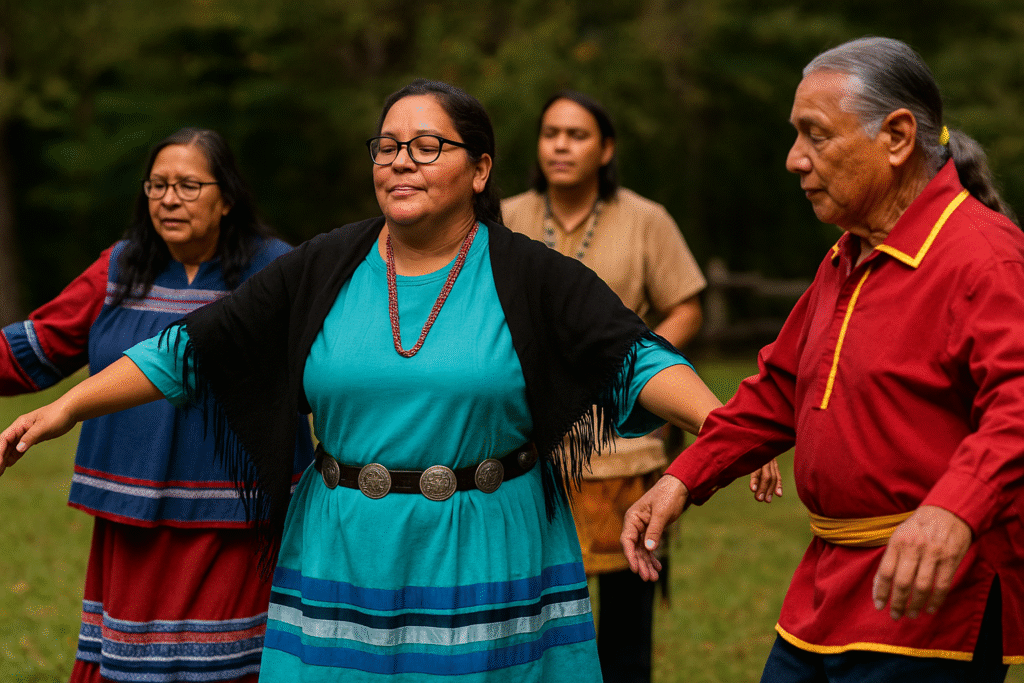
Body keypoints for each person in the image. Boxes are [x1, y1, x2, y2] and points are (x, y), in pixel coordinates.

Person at [0, 80, 768, 681]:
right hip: (342, 551)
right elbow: (189, 349)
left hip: (487, 549)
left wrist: (727, 425)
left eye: (427, 145)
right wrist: (66, 406)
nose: (400, 159)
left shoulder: (530, 275)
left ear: (480, 169)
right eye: (387, 145)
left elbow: (637, 360)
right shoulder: (326, 264)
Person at [622, 36, 1024, 683]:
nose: (794, 160)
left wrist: (954, 509)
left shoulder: (984, 256)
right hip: (823, 588)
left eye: (815, 136)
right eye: (795, 136)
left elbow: (1019, 405)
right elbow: (778, 390)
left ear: (896, 137)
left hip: (927, 600)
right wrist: (683, 476)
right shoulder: (846, 257)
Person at [0, 128, 314, 683]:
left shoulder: (277, 269)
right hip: (132, 519)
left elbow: (330, 372)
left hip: (235, 520)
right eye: (158, 185)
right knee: (126, 664)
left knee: (227, 666)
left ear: (227, 197)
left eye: (189, 186)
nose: (169, 199)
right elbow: (38, 346)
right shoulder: (121, 268)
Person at [502, 90, 782, 683]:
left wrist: (633, 362)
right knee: (526, 617)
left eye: (577, 135)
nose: (560, 145)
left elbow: (685, 304)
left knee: (627, 620)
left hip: (626, 445)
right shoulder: (506, 218)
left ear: (605, 150)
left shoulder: (644, 218)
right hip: (526, 445)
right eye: (551, 132)